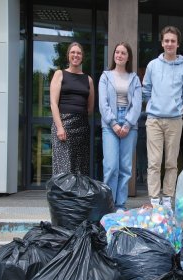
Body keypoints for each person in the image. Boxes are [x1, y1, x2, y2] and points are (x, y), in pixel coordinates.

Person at [142, 25, 183, 209]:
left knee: (171, 162)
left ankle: (167, 198)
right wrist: (152, 105)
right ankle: (154, 199)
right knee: (154, 162)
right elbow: (146, 89)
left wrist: (179, 110)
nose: (169, 44)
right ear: (162, 43)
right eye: (166, 41)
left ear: (178, 44)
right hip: (154, 120)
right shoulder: (153, 65)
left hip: (174, 120)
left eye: (173, 41)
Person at [99, 42, 142, 211]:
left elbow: (137, 104)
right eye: (117, 52)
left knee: (125, 167)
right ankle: (107, 205)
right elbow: (103, 104)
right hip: (110, 124)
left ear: (128, 57)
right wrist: (114, 123)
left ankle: (120, 205)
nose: (119, 55)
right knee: (111, 166)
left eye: (123, 53)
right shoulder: (105, 76)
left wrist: (128, 124)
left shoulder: (134, 78)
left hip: (129, 124)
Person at [50, 42, 94, 176]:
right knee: (64, 168)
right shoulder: (59, 74)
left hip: (82, 127)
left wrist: (80, 118)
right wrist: (60, 127)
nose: (76, 55)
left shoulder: (88, 80)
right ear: (68, 56)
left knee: (80, 166)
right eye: (73, 52)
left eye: (79, 53)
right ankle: (63, 197)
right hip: (63, 125)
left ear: (82, 57)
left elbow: (90, 107)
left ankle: (78, 196)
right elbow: (53, 103)